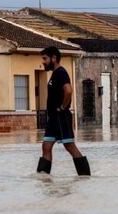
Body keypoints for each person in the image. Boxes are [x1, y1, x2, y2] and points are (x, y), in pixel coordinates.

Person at [36, 47, 91, 176]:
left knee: (69, 146)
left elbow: (69, 90)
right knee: (46, 146)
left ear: (54, 58)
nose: (43, 62)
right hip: (53, 119)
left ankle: (85, 176)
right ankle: (43, 178)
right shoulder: (54, 74)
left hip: (61, 117)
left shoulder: (61, 73)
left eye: (45, 58)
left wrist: (62, 107)